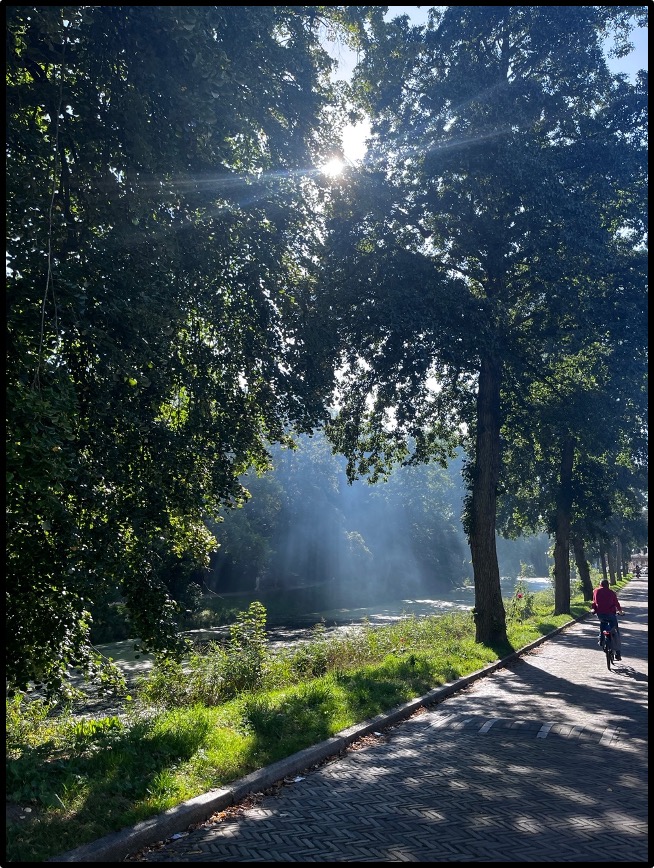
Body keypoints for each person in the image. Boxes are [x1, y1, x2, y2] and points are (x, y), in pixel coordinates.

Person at [591, 578, 624, 660]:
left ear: (600, 585)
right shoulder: (611, 592)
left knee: (603, 624)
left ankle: (601, 639)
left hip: (600, 614)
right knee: (615, 631)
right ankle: (618, 653)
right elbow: (616, 603)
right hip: (611, 614)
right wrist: (620, 612)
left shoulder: (595, 591)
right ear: (608, 585)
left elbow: (594, 602)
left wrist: (594, 610)